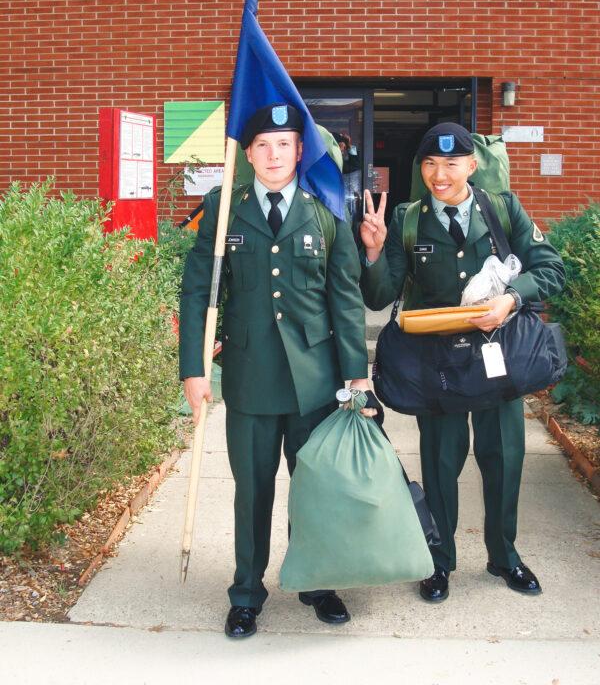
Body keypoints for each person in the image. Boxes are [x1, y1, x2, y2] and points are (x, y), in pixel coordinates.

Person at [179, 103, 372, 639]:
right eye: (262, 145)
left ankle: (317, 581)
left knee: (313, 488)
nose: (273, 154)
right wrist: (194, 369)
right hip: (249, 377)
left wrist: (357, 372)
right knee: (253, 490)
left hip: (316, 378)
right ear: (247, 154)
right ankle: (246, 593)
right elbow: (199, 291)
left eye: (283, 144)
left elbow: (346, 297)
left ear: (299, 151)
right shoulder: (224, 207)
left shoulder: (326, 207)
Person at [359, 122, 565, 603]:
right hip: (439, 370)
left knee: (504, 460)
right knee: (439, 463)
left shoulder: (502, 209)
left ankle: (504, 556)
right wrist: (372, 252)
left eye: (451, 163)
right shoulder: (409, 219)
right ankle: (440, 560)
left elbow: (550, 268)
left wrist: (512, 300)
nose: (439, 174)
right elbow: (381, 293)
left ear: (472, 166)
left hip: (500, 362)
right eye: (430, 164)